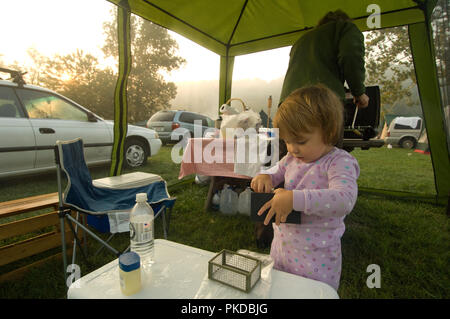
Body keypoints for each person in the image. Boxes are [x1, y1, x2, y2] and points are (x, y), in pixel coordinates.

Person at [251, 84, 360, 290]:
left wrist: (294, 199)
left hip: (317, 260)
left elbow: (344, 199)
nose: (292, 148)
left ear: (328, 132)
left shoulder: (338, 162)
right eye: (288, 141)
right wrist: (265, 176)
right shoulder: (292, 158)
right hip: (282, 251)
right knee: (280, 291)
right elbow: (276, 171)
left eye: (300, 141)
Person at [280, 9, 369, 110]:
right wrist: (359, 93)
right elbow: (350, 54)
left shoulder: (301, 41)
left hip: (287, 106)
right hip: (320, 99)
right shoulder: (344, 27)